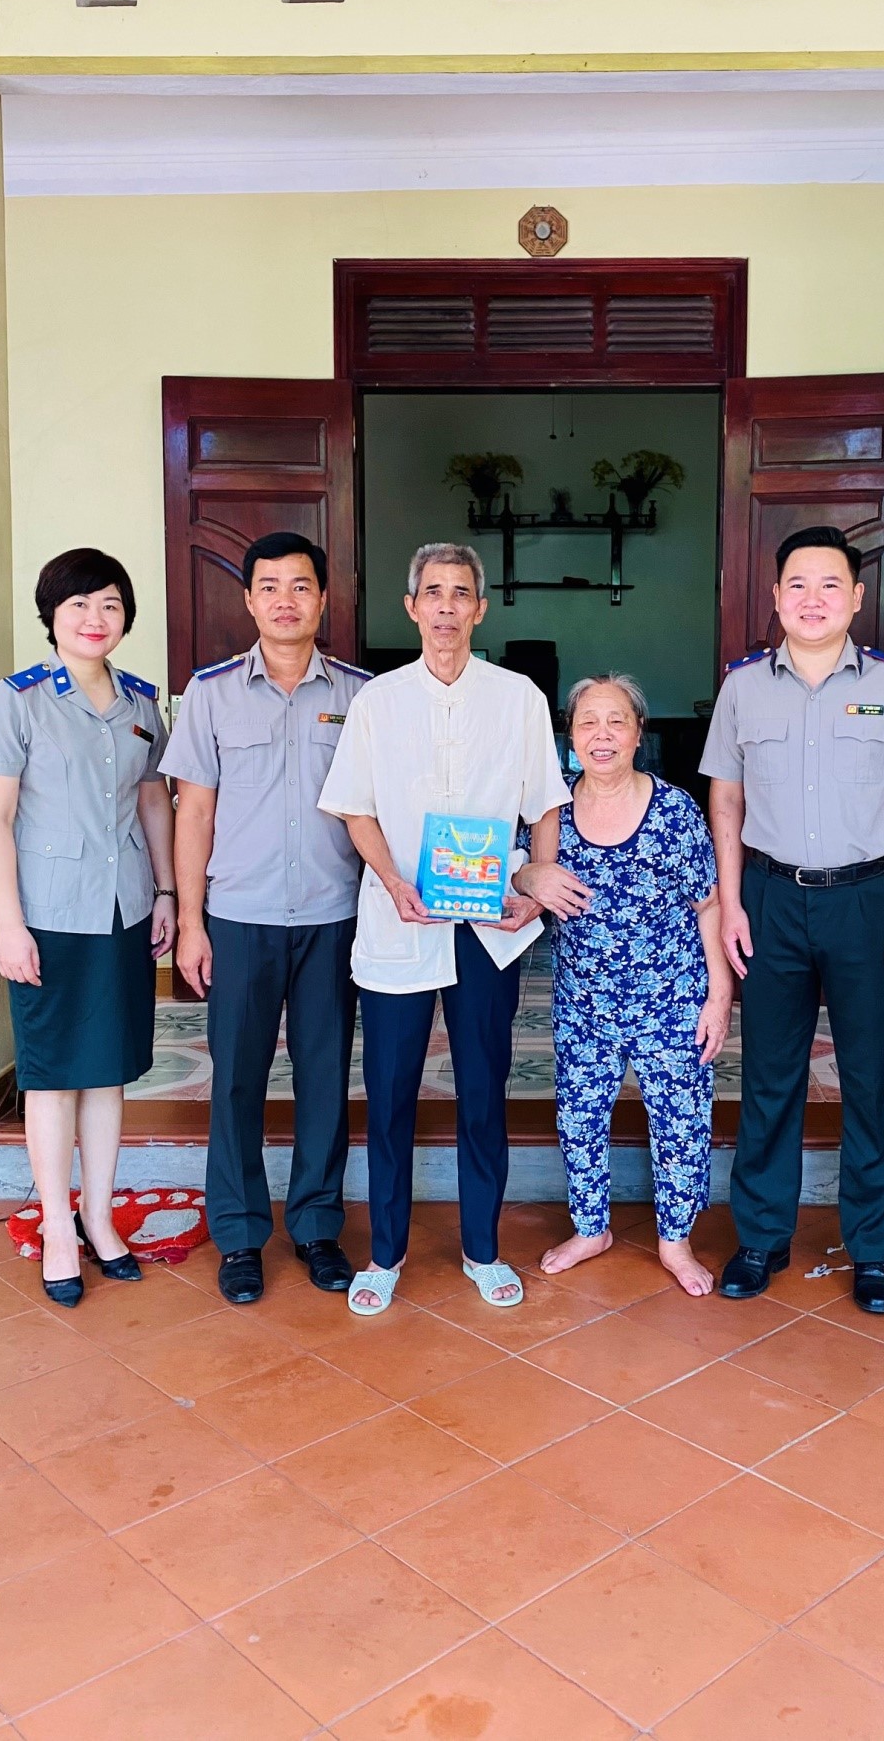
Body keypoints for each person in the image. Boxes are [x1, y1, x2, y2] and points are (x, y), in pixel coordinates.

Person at [318, 542, 570, 1315]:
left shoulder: (517, 696)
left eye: (461, 593)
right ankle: (385, 1252)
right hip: (400, 920)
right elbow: (354, 807)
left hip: (487, 925)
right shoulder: (378, 700)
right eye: (433, 592)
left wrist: (536, 887)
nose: (447, 606)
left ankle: (481, 1248)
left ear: (480, 609)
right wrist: (394, 880)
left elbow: (544, 802)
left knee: (482, 1090)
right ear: (411, 606)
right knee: (390, 1091)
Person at [701, 524, 884, 1314]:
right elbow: (725, 801)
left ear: (857, 597)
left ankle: (872, 1250)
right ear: (775, 597)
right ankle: (760, 1237)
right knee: (768, 1074)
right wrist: (731, 902)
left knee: (871, 1079)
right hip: (770, 898)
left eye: (830, 584)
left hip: (867, 901)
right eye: (798, 585)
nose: (813, 599)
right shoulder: (743, 688)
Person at [160, 532, 367, 1306]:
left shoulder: (360, 695)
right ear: (248, 600)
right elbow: (193, 813)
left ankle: (315, 1225)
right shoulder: (210, 693)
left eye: (301, 586)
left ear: (323, 599)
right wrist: (191, 922)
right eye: (270, 586)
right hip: (239, 916)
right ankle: (240, 1234)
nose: (286, 600)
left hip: (332, 915)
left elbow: (380, 808)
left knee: (324, 1076)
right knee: (236, 1082)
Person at [0, 548, 175, 1308]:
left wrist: (166, 892)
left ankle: (99, 1215)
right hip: (48, 915)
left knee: (107, 1069)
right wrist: (9, 927)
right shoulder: (17, 701)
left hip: (123, 908)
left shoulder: (142, 703)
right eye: (80, 603)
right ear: (52, 615)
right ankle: (58, 1225)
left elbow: (152, 801)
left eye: (111, 604)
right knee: (53, 1075)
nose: (96, 617)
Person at [515, 674, 732, 1297]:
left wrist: (718, 996)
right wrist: (528, 877)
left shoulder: (674, 811)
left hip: (672, 996)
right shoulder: (552, 812)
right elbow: (519, 872)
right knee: (579, 1117)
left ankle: (676, 1241)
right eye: (587, 722)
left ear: (639, 733)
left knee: (681, 1120)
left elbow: (709, 904)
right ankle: (591, 1229)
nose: (601, 735)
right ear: (571, 735)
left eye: (617, 721)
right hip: (583, 1001)